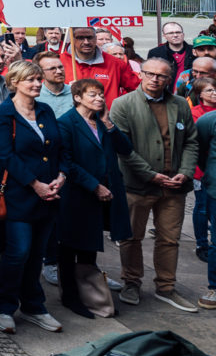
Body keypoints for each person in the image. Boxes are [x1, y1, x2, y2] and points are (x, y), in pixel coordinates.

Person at [110, 56, 198, 311]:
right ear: (140, 74)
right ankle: (131, 282)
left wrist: (186, 172)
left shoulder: (179, 104)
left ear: (169, 79)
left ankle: (166, 286)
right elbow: (123, 149)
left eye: (161, 76)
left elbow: (191, 141)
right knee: (131, 237)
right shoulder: (123, 104)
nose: (155, 79)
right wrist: (149, 174)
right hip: (137, 185)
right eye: (150, 74)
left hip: (174, 185)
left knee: (169, 239)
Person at [0, 61, 68, 333]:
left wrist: (61, 176)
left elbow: (60, 148)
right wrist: (35, 184)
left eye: (38, 79)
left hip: (49, 194)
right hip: (19, 195)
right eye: (30, 80)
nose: (36, 84)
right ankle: (4, 306)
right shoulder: (3, 114)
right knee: (18, 252)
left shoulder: (45, 109)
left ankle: (34, 305)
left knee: (37, 254)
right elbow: (5, 155)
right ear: (14, 82)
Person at [55, 79, 132, 317]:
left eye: (101, 94)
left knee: (89, 246)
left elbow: (126, 149)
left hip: (104, 193)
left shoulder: (101, 122)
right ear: (77, 97)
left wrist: (109, 124)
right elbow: (67, 162)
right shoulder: (66, 123)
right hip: (78, 194)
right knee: (70, 247)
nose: (99, 98)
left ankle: (90, 293)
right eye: (92, 95)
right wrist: (94, 185)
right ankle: (70, 296)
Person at [63, 27, 142, 104]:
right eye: (80, 38)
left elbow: (138, 90)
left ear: (95, 38)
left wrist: (123, 108)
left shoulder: (115, 64)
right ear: (72, 40)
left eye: (90, 37)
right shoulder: (60, 62)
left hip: (107, 112)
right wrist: (66, 90)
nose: (86, 42)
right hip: (72, 112)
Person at [37, 53, 74, 118]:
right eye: (52, 68)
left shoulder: (75, 92)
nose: (59, 71)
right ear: (41, 73)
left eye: (60, 67)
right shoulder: (36, 95)